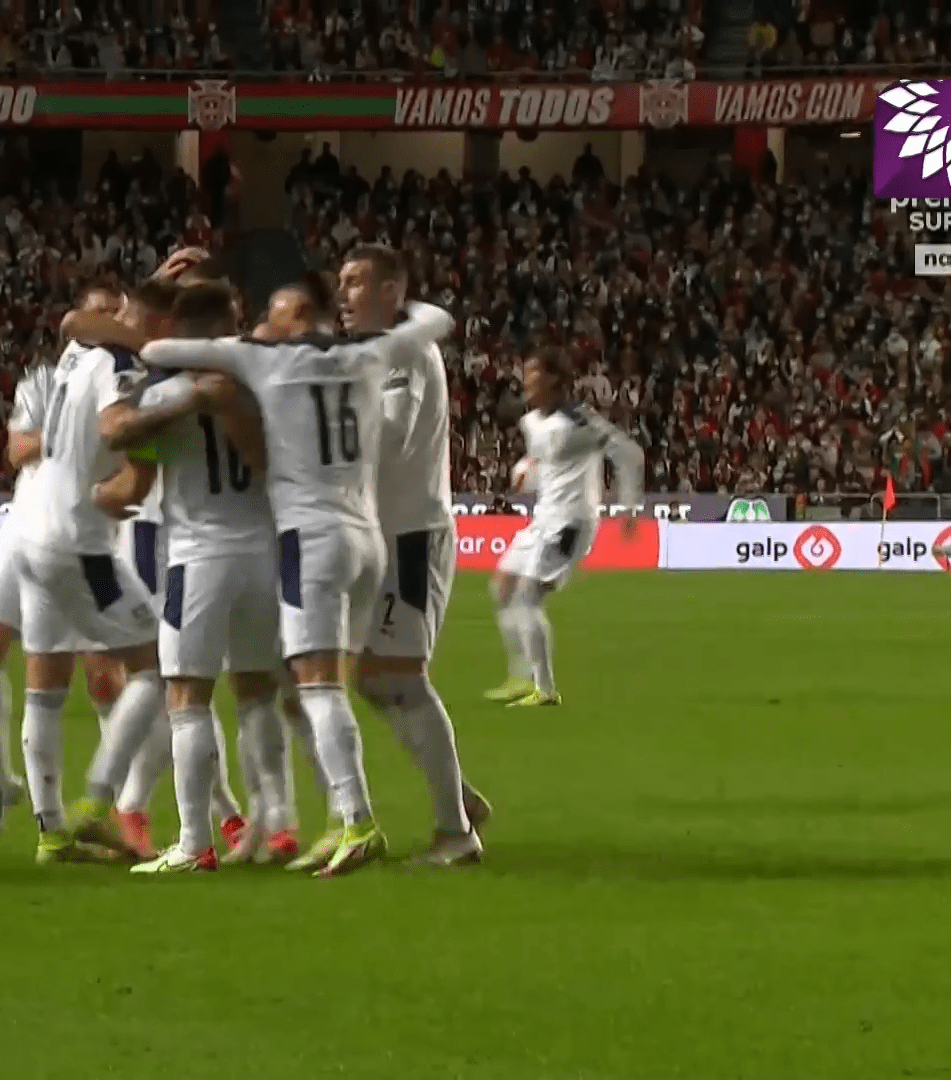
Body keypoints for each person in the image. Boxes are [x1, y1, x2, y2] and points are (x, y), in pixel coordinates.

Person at [137, 285, 456, 876]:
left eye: (274, 314)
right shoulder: (368, 353)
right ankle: (342, 820)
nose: (263, 323)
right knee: (322, 689)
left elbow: (157, 349)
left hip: (309, 541)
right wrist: (398, 308)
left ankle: (356, 820)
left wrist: (230, 347)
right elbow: (438, 319)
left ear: (302, 316)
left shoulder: (263, 358)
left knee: (317, 690)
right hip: (366, 539)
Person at [96, 281, 293, 873]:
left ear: (183, 332)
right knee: (256, 694)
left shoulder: (166, 389)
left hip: (198, 557)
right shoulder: (265, 384)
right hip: (263, 554)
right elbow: (271, 463)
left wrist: (185, 402)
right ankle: (277, 826)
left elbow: (117, 434)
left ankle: (193, 844)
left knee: (186, 697)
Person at [335, 245, 490, 868]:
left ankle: (456, 833)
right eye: (341, 281)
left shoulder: (404, 352)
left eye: (356, 281)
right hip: (385, 536)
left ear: (390, 290)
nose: (343, 294)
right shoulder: (379, 350)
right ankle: (458, 796)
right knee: (373, 681)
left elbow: (392, 433)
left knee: (400, 677)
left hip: (411, 537)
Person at [11, 280, 177, 863]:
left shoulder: (78, 353)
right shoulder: (125, 365)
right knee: (154, 664)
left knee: (45, 682)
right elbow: (114, 426)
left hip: (33, 533)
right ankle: (97, 802)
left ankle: (51, 833)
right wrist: (155, 433)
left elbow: (78, 322)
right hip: (79, 542)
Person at [0, 283, 127, 850]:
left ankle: (114, 806)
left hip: (88, 532)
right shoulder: (44, 379)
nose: (102, 323)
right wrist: (71, 430)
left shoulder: (120, 379)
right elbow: (17, 450)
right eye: (95, 313)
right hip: (23, 531)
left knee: (104, 675)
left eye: (113, 315)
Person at [486, 351, 645, 707]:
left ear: (554, 378)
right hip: (543, 518)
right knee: (503, 586)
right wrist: (526, 472)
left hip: (571, 522)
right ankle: (520, 677)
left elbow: (628, 453)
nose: (525, 378)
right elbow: (541, 461)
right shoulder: (531, 422)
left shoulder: (578, 420)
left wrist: (630, 508)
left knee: (528, 594)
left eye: (533, 372)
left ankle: (545, 689)